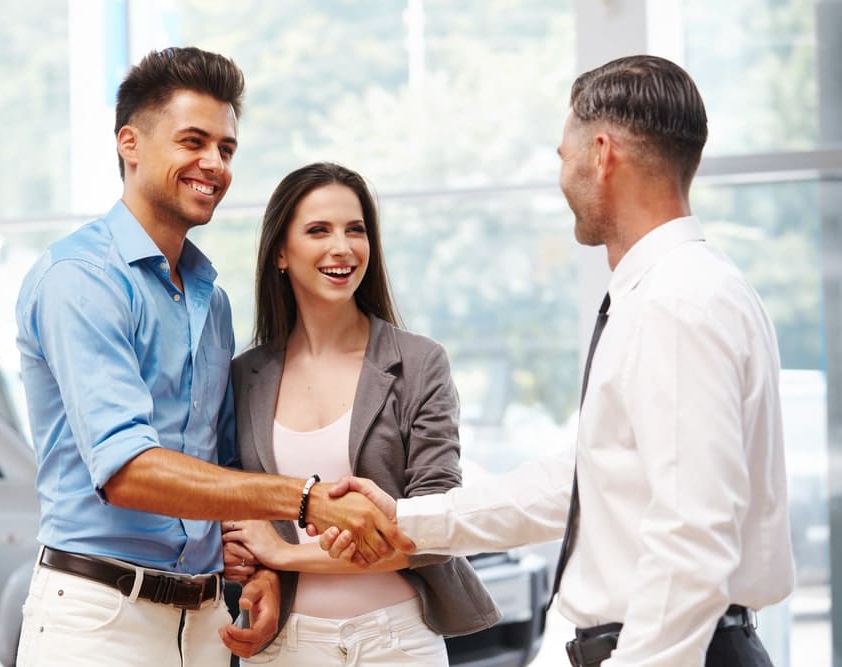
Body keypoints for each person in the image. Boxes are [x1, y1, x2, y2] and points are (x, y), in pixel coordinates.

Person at [320, 55, 795, 667]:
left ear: (601, 153)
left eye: (563, 157)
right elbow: (584, 483)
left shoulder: (677, 303)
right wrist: (408, 516)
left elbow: (694, 532)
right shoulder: (678, 291)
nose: (563, 177)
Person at [14, 47, 411, 667]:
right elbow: (129, 471)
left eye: (226, 149)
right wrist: (306, 500)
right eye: (193, 141)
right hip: (101, 616)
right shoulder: (81, 279)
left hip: (204, 619)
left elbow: (216, 465)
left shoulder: (210, 299)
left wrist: (257, 570)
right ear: (130, 144)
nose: (213, 164)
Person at [218, 162, 500, 665]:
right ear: (281, 253)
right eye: (318, 230)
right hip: (285, 645)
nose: (343, 248)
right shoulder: (244, 377)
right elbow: (242, 516)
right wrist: (259, 570)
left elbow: (438, 530)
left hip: (398, 641)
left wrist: (283, 555)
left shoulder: (419, 363)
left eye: (356, 230)